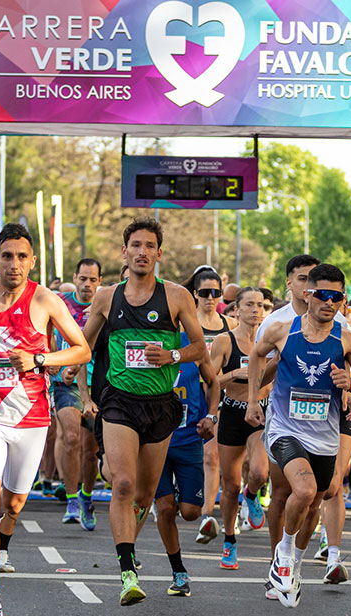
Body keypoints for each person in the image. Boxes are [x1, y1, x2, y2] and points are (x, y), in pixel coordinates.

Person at [0, 223, 90, 616]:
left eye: (22, 256)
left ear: (32, 261)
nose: (14, 263)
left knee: (14, 501)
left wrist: (39, 359)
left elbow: (82, 351)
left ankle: (4, 540)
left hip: (30, 417)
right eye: (7, 255)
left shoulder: (44, 300)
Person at [80, 217, 206, 605]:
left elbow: (199, 349)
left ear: (158, 254)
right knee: (122, 484)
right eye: (135, 245)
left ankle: (129, 549)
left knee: (146, 494)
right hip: (119, 401)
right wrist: (82, 389)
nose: (142, 252)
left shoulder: (177, 297)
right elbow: (82, 346)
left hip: (161, 405)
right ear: (124, 251)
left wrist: (172, 354)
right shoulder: (106, 297)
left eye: (149, 246)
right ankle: (128, 572)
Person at [247, 263, 351, 607]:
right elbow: (256, 356)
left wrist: (350, 384)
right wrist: (252, 401)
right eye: (323, 295)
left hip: (325, 433)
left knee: (317, 499)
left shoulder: (349, 337)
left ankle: (294, 567)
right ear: (308, 294)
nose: (329, 302)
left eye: (337, 297)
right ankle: (284, 555)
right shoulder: (279, 329)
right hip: (285, 428)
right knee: (301, 490)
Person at [152, 329, 220, 597]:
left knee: (191, 511)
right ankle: (178, 571)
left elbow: (213, 383)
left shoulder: (193, 345)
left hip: (189, 438)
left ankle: (180, 493)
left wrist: (212, 416)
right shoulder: (145, 340)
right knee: (166, 508)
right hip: (154, 441)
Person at [209, 287, 269, 568]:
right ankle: (230, 539)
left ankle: (253, 494)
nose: (256, 310)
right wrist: (234, 373)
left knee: (259, 471)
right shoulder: (224, 341)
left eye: (260, 305)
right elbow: (209, 381)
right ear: (236, 309)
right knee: (230, 484)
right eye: (249, 305)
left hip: (262, 412)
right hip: (233, 412)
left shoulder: (272, 340)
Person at [184, 265, 236, 544]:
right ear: (195, 293)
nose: (210, 297)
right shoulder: (185, 322)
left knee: (211, 456)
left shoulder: (230, 325)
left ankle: (206, 514)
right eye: (205, 292)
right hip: (188, 396)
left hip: (219, 397)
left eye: (216, 292)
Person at [50, 258, 103, 530]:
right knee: (70, 436)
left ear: (100, 281)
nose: (87, 285)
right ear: (75, 277)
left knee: (90, 450)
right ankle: (71, 497)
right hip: (65, 381)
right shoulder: (60, 302)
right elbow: (46, 331)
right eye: (83, 279)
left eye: (93, 280)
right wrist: (51, 361)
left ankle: (86, 495)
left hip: (97, 383)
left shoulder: (104, 306)